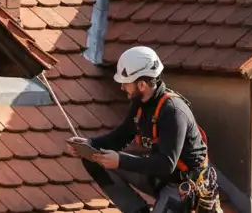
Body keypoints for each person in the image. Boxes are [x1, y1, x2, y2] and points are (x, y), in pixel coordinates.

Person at [67, 46, 221, 213]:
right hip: (160, 177)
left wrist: (120, 160)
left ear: (141, 84)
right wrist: (89, 144)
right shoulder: (140, 103)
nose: (122, 87)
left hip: (182, 185)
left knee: (113, 160)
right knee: (95, 159)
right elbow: (121, 136)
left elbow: (166, 164)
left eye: (125, 83)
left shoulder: (173, 111)